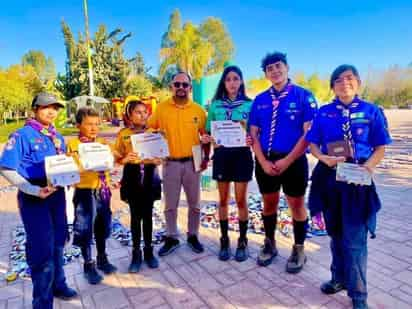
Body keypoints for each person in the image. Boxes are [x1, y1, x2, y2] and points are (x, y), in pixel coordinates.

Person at [306, 64, 391, 309]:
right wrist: (324, 158)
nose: (345, 83)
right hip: (330, 180)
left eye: (349, 78)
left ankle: (359, 295)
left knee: (355, 240)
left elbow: (380, 147)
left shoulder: (371, 111)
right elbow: (313, 144)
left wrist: (369, 167)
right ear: (332, 86)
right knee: (335, 234)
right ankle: (339, 278)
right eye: (339, 80)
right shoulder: (324, 113)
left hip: (358, 182)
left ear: (358, 82)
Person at [0, 93, 77, 308]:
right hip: (35, 197)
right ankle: (42, 302)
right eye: (46, 107)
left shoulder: (57, 136)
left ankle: (59, 285)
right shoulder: (22, 135)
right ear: (35, 109)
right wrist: (32, 190)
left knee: (59, 241)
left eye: (55, 107)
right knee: (42, 250)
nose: (51, 111)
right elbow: (6, 168)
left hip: (57, 196)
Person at [249, 52, 318, 273]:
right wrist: (262, 161)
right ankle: (270, 243)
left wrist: (287, 160)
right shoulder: (260, 100)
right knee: (268, 203)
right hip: (266, 161)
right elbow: (253, 134)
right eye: (270, 69)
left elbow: (309, 134)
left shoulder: (304, 97)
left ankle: (299, 248)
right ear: (266, 74)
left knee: (296, 205)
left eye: (278, 66)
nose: (275, 71)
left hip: (294, 161)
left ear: (287, 68)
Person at [147, 71, 209, 256]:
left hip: (192, 162)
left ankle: (193, 235)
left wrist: (205, 158)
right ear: (171, 87)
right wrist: (153, 137)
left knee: (195, 204)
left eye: (184, 85)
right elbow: (151, 128)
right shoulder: (161, 108)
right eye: (177, 84)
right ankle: (172, 237)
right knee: (170, 204)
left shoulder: (198, 110)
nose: (181, 88)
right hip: (170, 163)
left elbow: (205, 136)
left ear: (190, 88)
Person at [203, 65, 253, 262]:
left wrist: (251, 139)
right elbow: (208, 131)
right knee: (223, 200)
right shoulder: (215, 105)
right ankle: (224, 240)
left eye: (236, 79)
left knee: (241, 200)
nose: (232, 83)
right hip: (222, 156)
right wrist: (207, 139)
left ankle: (242, 240)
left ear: (241, 82)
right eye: (228, 79)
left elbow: (256, 132)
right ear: (224, 83)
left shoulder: (250, 105)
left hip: (242, 156)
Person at [67, 107, 117, 285]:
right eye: (89, 124)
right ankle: (88, 264)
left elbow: (113, 161)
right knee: (85, 227)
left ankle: (103, 258)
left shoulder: (103, 143)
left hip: (102, 190)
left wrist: (113, 160)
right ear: (79, 124)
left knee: (102, 225)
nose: (94, 128)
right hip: (84, 192)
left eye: (97, 124)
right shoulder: (73, 145)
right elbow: (70, 168)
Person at [114, 100, 161, 272]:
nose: (142, 115)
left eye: (144, 112)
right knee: (135, 217)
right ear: (129, 115)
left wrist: (158, 159)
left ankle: (148, 251)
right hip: (132, 177)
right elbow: (116, 158)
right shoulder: (123, 134)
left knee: (148, 215)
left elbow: (161, 155)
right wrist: (124, 159)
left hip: (150, 176)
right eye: (138, 112)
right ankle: (136, 253)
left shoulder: (153, 133)